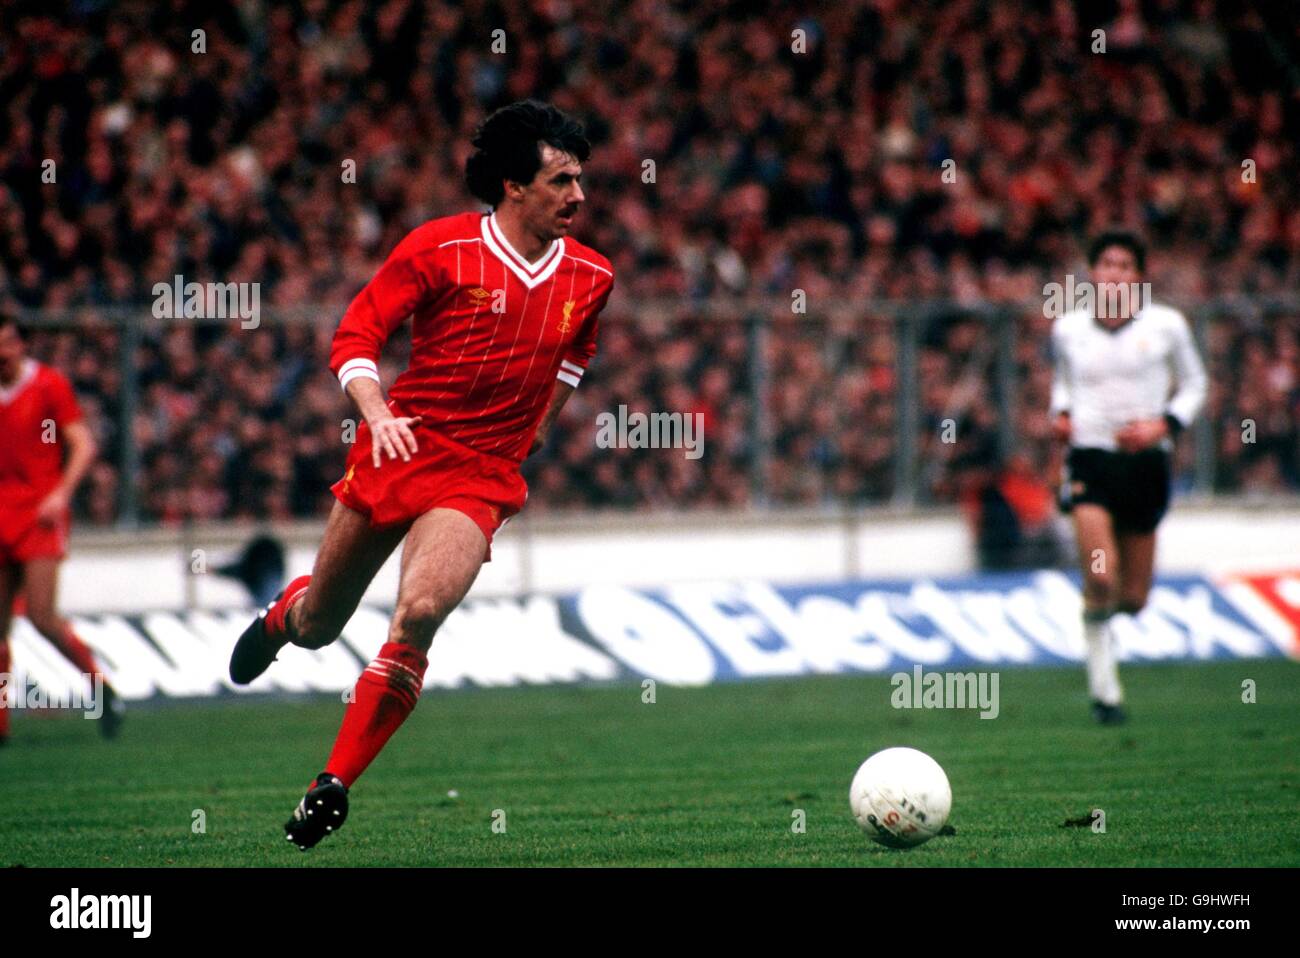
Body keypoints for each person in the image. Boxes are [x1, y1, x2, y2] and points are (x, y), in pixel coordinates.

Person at [228, 100, 614, 849]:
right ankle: (285, 616)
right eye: (562, 180)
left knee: (420, 614)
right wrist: (375, 411)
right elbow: (357, 333)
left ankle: (331, 784)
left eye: (581, 180)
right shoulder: (440, 249)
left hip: (480, 477)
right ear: (513, 186)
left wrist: (540, 426)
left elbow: (577, 353)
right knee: (321, 628)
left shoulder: (592, 275)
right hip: (399, 452)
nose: (579, 196)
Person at [1050, 231, 1207, 724]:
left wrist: (1163, 425)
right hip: (1091, 462)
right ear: (1092, 272)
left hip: (1145, 467)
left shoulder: (1166, 326)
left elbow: (1196, 384)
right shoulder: (1069, 329)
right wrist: (1061, 412)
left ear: (1139, 275)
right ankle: (1105, 690)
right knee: (1100, 575)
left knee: (1133, 599)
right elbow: (1063, 383)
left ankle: (1096, 622)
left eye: (1124, 265)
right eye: (1105, 264)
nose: (1114, 273)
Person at [0, 311, 124, 744]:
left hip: (39, 513)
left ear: (21, 345)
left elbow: (83, 444)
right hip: (2, 510)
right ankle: (0, 724)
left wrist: (61, 492)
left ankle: (99, 686)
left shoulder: (48, 385)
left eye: (8, 343)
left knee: (40, 615)